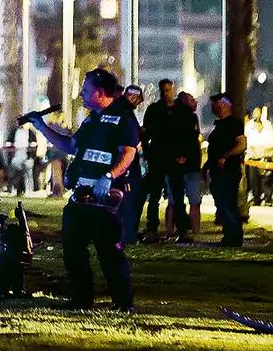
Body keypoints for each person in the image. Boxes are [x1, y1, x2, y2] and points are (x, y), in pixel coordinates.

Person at [27, 68, 136, 312]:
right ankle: (81, 299)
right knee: (73, 247)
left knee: (109, 251)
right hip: (81, 194)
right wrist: (42, 127)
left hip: (106, 196)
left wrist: (108, 177)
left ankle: (123, 303)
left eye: (86, 90)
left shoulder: (123, 118)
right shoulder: (91, 119)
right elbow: (71, 145)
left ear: (100, 93)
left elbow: (128, 153)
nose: (82, 94)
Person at [203, 93, 247, 247]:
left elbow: (242, 145)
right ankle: (229, 235)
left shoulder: (234, 124)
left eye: (215, 103)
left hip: (228, 171)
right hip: (218, 172)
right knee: (222, 204)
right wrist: (206, 167)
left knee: (228, 204)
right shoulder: (220, 126)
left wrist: (226, 156)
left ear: (223, 104)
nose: (212, 107)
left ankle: (234, 236)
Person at [138, 78, 177, 242]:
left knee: (175, 194)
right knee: (154, 194)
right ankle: (152, 226)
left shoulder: (179, 110)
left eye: (168, 90)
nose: (165, 93)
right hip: (158, 156)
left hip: (173, 157)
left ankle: (177, 227)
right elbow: (145, 132)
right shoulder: (154, 110)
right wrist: (148, 152)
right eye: (163, 90)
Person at [165, 92, 202, 242]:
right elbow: (189, 139)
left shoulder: (171, 115)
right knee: (192, 201)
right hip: (188, 165)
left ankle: (171, 229)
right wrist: (184, 155)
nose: (195, 103)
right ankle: (191, 230)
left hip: (175, 164)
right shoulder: (188, 117)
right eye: (192, 100)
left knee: (174, 200)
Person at [114, 85, 145, 244]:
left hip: (121, 164)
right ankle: (128, 234)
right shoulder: (125, 113)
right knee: (130, 200)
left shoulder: (117, 111)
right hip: (127, 166)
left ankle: (124, 233)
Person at [244, 106, 273, 206]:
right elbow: (248, 142)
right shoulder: (250, 128)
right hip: (253, 158)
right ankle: (256, 198)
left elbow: (272, 143)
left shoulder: (267, 127)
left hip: (265, 157)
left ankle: (268, 198)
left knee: (266, 179)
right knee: (254, 180)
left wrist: (265, 149)